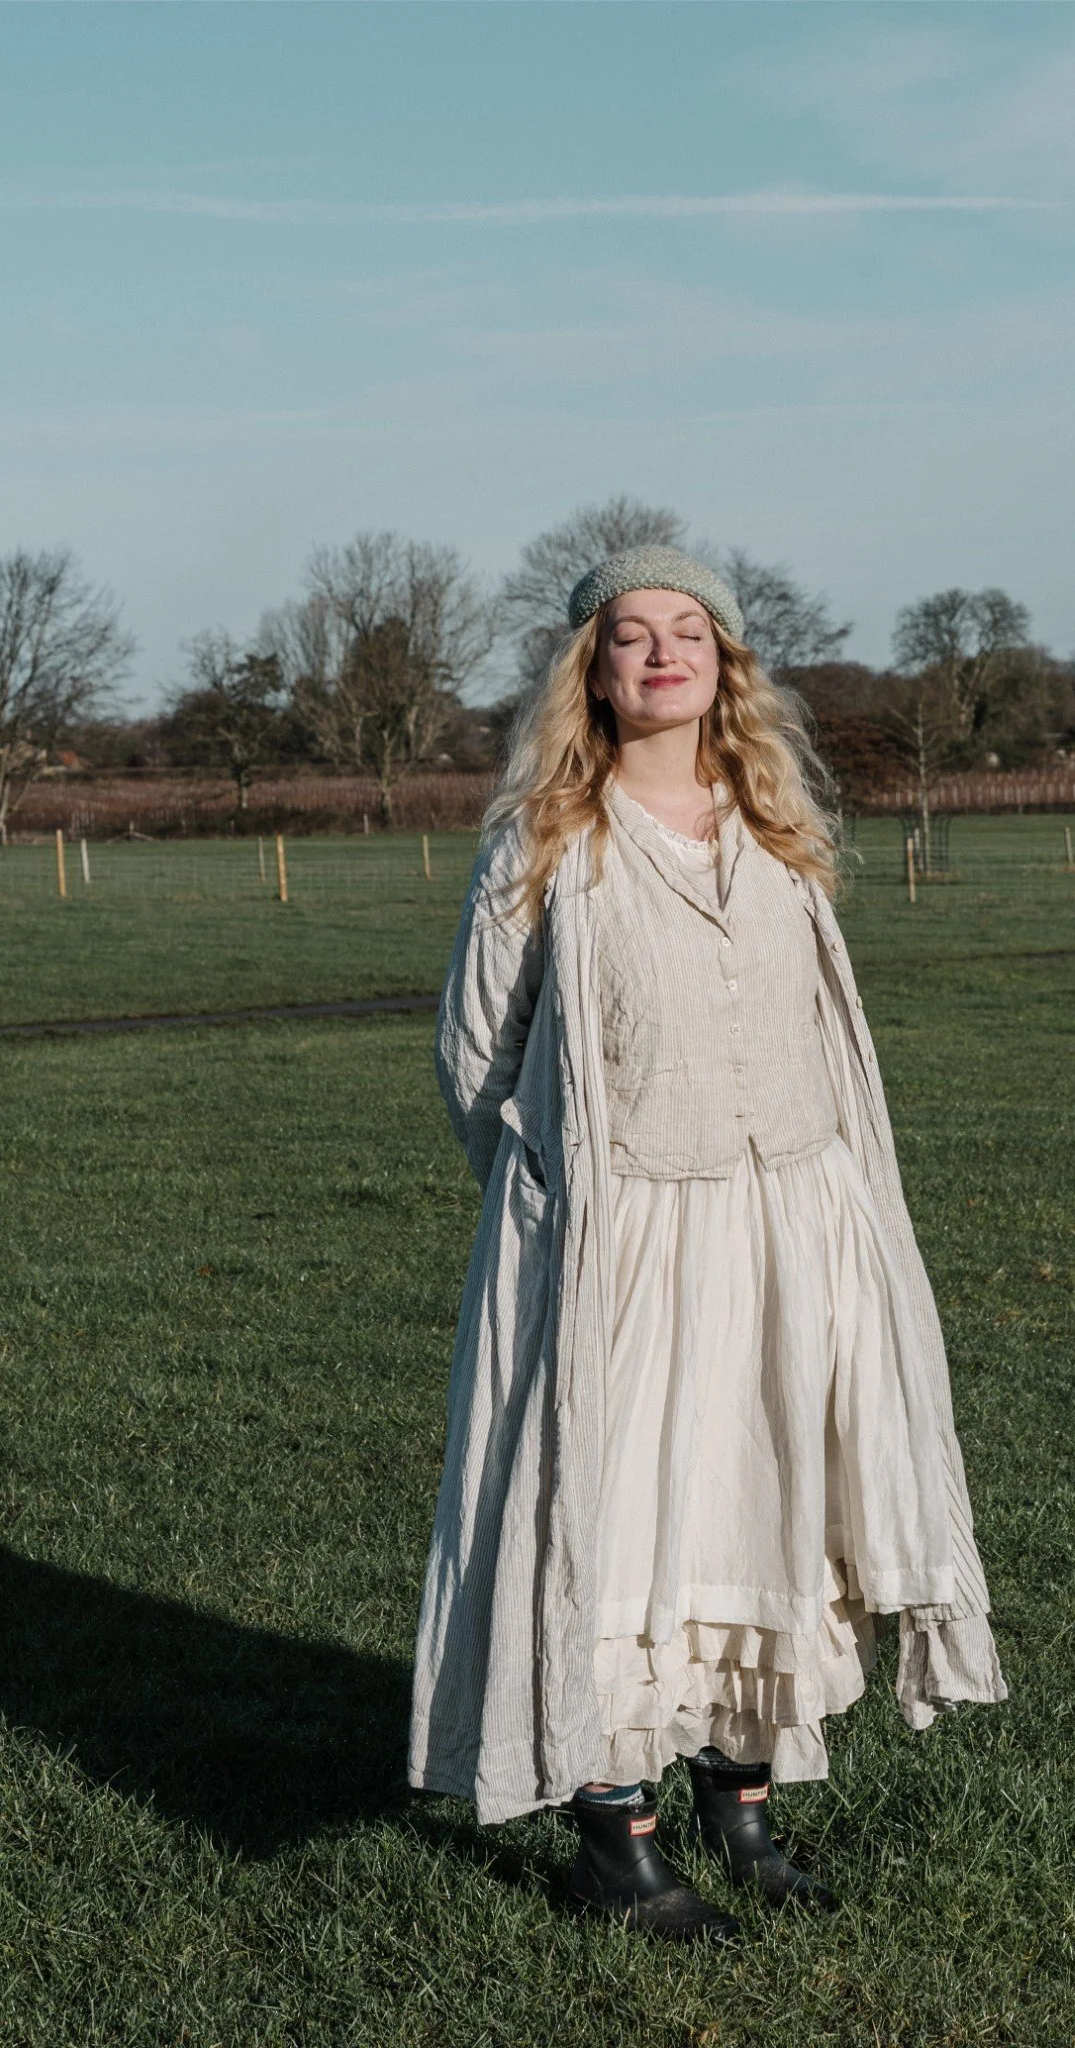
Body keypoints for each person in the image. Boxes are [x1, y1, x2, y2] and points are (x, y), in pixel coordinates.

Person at [408, 545, 1006, 1943]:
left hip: (788, 1226)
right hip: (624, 1243)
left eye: (691, 631)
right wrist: (555, 1201)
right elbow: (473, 1059)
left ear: (726, 664)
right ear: (594, 670)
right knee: (619, 1524)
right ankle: (616, 1836)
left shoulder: (776, 826)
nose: (664, 653)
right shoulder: (549, 840)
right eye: (633, 634)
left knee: (768, 1502)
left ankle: (744, 1801)